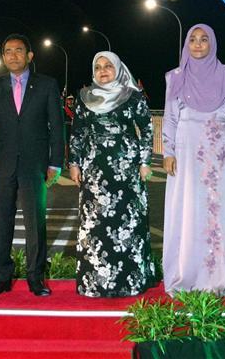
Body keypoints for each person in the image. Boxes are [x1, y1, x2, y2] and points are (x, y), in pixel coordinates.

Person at [161, 24, 225, 295]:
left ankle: (220, 277)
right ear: (187, 44)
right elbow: (170, 117)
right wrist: (168, 151)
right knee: (187, 212)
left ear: (213, 44)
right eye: (193, 40)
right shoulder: (175, 77)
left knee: (217, 213)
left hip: (218, 153)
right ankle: (187, 275)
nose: (198, 45)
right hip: (186, 153)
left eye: (204, 40)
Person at [0, 34, 64, 296]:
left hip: (34, 164)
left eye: (18, 50)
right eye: (8, 51)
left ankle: (36, 278)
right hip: (2, 164)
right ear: (3, 57)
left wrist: (55, 163)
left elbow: (57, 128)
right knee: (1, 221)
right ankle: (1, 278)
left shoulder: (47, 85)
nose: (13, 55)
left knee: (35, 222)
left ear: (29, 56)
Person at [68, 51, 155, 297]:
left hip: (126, 168)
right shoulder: (85, 97)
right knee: (95, 226)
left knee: (128, 223)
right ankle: (95, 283)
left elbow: (146, 128)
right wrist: (74, 163)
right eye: (98, 67)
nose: (103, 71)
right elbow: (78, 132)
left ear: (118, 69)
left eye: (108, 66)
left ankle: (130, 282)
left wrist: (144, 161)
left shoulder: (132, 95)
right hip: (95, 171)